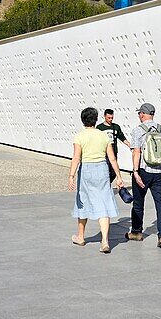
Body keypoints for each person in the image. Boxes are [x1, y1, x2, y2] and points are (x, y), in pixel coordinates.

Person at [68, 107, 124, 253]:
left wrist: (71, 176)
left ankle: (80, 237)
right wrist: (118, 176)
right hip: (102, 169)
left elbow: (76, 158)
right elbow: (111, 158)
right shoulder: (103, 136)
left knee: (83, 200)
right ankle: (105, 241)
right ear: (96, 119)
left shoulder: (79, 137)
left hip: (86, 170)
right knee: (104, 202)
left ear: (83, 120)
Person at [127, 103, 161, 248]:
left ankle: (136, 232)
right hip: (160, 172)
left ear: (143, 114)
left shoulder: (138, 130)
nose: (139, 115)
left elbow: (136, 152)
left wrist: (135, 172)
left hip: (143, 171)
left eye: (139, 113)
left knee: (138, 203)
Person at [96, 108, 129, 184]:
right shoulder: (99, 128)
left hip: (113, 152)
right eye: (109, 118)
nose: (110, 119)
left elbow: (122, 137)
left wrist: (130, 145)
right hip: (104, 154)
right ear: (104, 116)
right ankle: (104, 186)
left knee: (114, 172)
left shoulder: (116, 127)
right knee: (104, 171)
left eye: (112, 118)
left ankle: (106, 184)